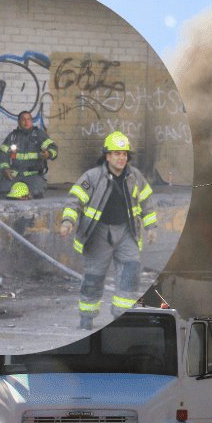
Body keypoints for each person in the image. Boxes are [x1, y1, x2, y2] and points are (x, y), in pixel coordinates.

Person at [59, 131, 158, 330]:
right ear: (107, 156)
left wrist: (151, 226)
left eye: (124, 154)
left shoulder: (135, 177)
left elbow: (147, 201)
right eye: (116, 153)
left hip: (126, 233)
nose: (121, 157)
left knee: (131, 271)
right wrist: (68, 221)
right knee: (94, 277)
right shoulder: (91, 177)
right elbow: (75, 199)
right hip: (98, 235)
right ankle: (87, 317)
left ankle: (121, 317)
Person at [0, 110, 58, 199]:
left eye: (28, 119)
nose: (26, 122)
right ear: (19, 122)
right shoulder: (13, 136)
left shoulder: (39, 135)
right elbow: (2, 153)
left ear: (31, 121)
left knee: (37, 191)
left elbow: (53, 147)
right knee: (4, 189)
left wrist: (49, 153)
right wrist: (5, 168)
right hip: (15, 173)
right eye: (23, 119)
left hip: (33, 174)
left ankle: (28, 194)